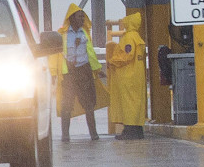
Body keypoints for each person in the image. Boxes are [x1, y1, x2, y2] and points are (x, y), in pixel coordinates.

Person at [59, 7, 100, 142]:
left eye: (83, 17)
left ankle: (94, 134)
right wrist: (55, 72)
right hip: (69, 74)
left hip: (84, 71)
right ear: (71, 19)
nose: (82, 19)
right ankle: (65, 136)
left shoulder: (85, 34)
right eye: (79, 17)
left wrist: (97, 70)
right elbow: (56, 55)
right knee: (67, 105)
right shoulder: (62, 35)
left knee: (89, 104)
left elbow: (91, 54)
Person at [107, 10, 148, 140]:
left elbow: (126, 55)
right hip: (137, 76)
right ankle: (137, 130)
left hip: (127, 77)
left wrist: (112, 61)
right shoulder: (138, 38)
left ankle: (129, 131)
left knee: (128, 104)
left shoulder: (129, 38)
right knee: (137, 104)